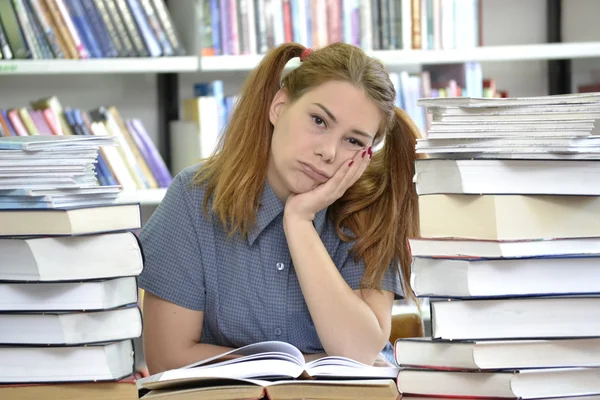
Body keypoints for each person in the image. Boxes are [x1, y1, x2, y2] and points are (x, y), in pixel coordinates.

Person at [138, 42, 421, 375]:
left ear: (366, 154)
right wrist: (303, 365)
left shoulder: (369, 209)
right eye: (319, 120)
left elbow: (357, 353)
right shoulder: (194, 197)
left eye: (354, 141)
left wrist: (299, 221)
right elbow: (167, 357)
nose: (329, 151)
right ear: (279, 106)